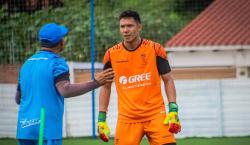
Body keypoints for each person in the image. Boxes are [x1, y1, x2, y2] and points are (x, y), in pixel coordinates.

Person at [15, 23, 114, 145]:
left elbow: (18, 99)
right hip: (45, 130)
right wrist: (96, 82)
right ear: (60, 42)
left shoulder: (26, 64)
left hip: (24, 129)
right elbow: (65, 90)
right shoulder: (56, 62)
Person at [97, 10, 181, 145]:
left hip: (155, 115)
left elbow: (168, 80)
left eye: (129, 26)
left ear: (139, 27)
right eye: (122, 26)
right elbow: (106, 87)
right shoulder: (111, 55)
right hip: (127, 119)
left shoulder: (155, 49)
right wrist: (101, 118)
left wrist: (173, 109)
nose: (125, 30)